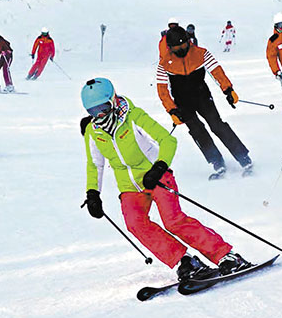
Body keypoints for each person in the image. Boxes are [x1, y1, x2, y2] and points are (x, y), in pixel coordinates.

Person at [80, 78, 252, 280]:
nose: (99, 115)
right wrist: (93, 193)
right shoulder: (93, 131)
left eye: (103, 108)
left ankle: (226, 256)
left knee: (173, 221)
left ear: (113, 100)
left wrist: (159, 167)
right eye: (93, 111)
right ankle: (185, 261)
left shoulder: (134, 116)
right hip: (129, 187)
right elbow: (95, 164)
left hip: (157, 177)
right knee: (135, 223)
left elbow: (167, 140)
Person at [157, 26, 252, 177]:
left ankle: (244, 158)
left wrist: (228, 90)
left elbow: (216, 71)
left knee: (217, 125)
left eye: (184, 45)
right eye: (177, 48)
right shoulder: (164, 63)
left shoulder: (201, 53)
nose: (182, 50)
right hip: (182, 103)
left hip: (201, 96)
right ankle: (216, 162)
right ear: (170, 48)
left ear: (189, 42)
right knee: (197, 130)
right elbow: (162, 90)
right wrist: (172, 110)